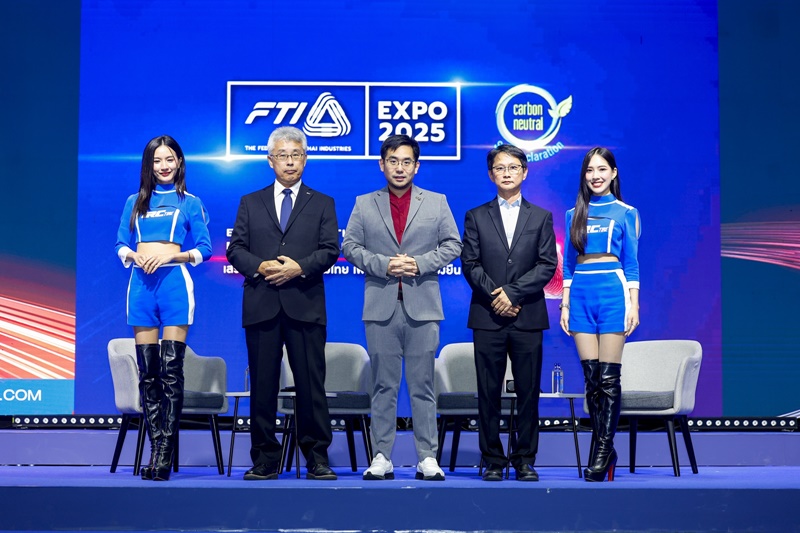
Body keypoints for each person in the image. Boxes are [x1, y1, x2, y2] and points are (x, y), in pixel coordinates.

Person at [342, 134, 462, 481]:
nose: (399, 168)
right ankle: (382, 456)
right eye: (393, 161)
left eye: (406, 161)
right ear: (382, 164)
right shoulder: (364, 203)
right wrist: (384, 264)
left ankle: (428, 457)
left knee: (423, 386)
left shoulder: (436, 202)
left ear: (416, 166)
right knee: (383, 385)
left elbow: (453, 244)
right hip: (381, 307)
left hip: (423, 307)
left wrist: (419, 263)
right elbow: (350, 246)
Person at [227, 126, 339, 481]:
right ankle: (265, 458)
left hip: (305, 304)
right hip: (262, 304)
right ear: (270, 160)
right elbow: (235, 249)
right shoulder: (250, 201)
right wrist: (261, 266)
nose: (290, 162)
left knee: (311, 386)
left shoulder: (322, 202)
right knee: (263, 386)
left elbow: (330, 250)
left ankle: (317, 457)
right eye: (283, 156)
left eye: (296, 155)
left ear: (305, 159)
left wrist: (298, 268)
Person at [114, 135, 212, 481]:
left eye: (170, 159)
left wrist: (173, 256)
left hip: (174, 286)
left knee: (171, 372)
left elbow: (204, 248)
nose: (164, 166)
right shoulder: (135, 202)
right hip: (141, 287)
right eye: (157, 160)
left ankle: (164, 455)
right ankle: (157, 449)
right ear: (149, 165)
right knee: (148, 374)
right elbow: (120, 244)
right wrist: (133, 254)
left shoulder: (190, 202)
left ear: (179, 162)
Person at [461, 144, 557, 482]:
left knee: (529, 392)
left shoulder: (541, 216)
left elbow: (547, 264)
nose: (506, 173)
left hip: (527, 315)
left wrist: (513, 294)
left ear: (524, 172)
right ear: (491, 175)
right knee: (488, 392)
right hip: (487, 316)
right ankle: (492, 460)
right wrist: (496, 296)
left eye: (513, 167)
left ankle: (524, 459)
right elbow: (470, 264)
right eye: (500, 168)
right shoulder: (475, 216)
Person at [560, 146, 641, 482]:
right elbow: (568, 265)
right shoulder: (572, 214)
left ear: (613, 173)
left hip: (613, 293)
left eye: (602, 169)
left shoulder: (627, 212)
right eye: (590, 170)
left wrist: (634, 303)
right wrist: (565, 304)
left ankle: (603, 449)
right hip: (580, 293)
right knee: (591, 379)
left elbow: (632, 262)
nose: (596, 176)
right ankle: (604, 451)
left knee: (608, 379)